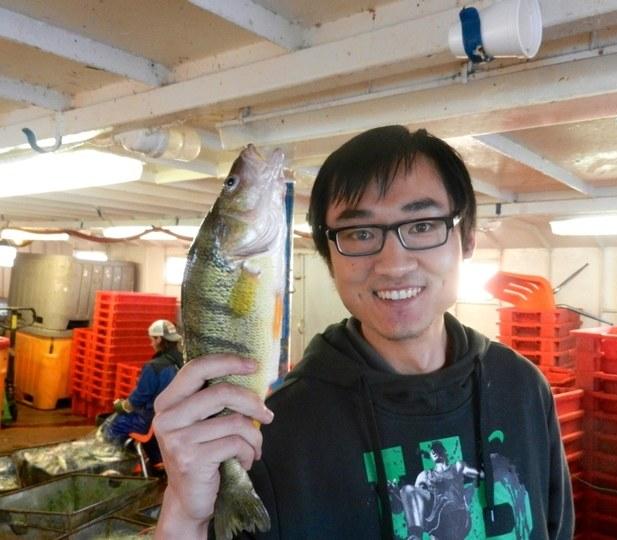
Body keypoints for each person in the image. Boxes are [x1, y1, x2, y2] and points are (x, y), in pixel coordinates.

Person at [153, 125, 574, 539]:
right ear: (329, 256)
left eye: (423, 225)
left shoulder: (522, 388)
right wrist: (183, 517)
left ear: (465, 240)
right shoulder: (267, 427)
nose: (393, 263)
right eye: (360, 232)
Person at [104, 319, 184, 460]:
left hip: (152, 419)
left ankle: (113, 462)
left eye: (151, 340)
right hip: (177, 418)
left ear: (159, 339)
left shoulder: (154, 367)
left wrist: (122, 405)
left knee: (114, 425)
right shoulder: (184, 363)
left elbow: (138, 398)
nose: (151, 344)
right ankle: (158, 460)